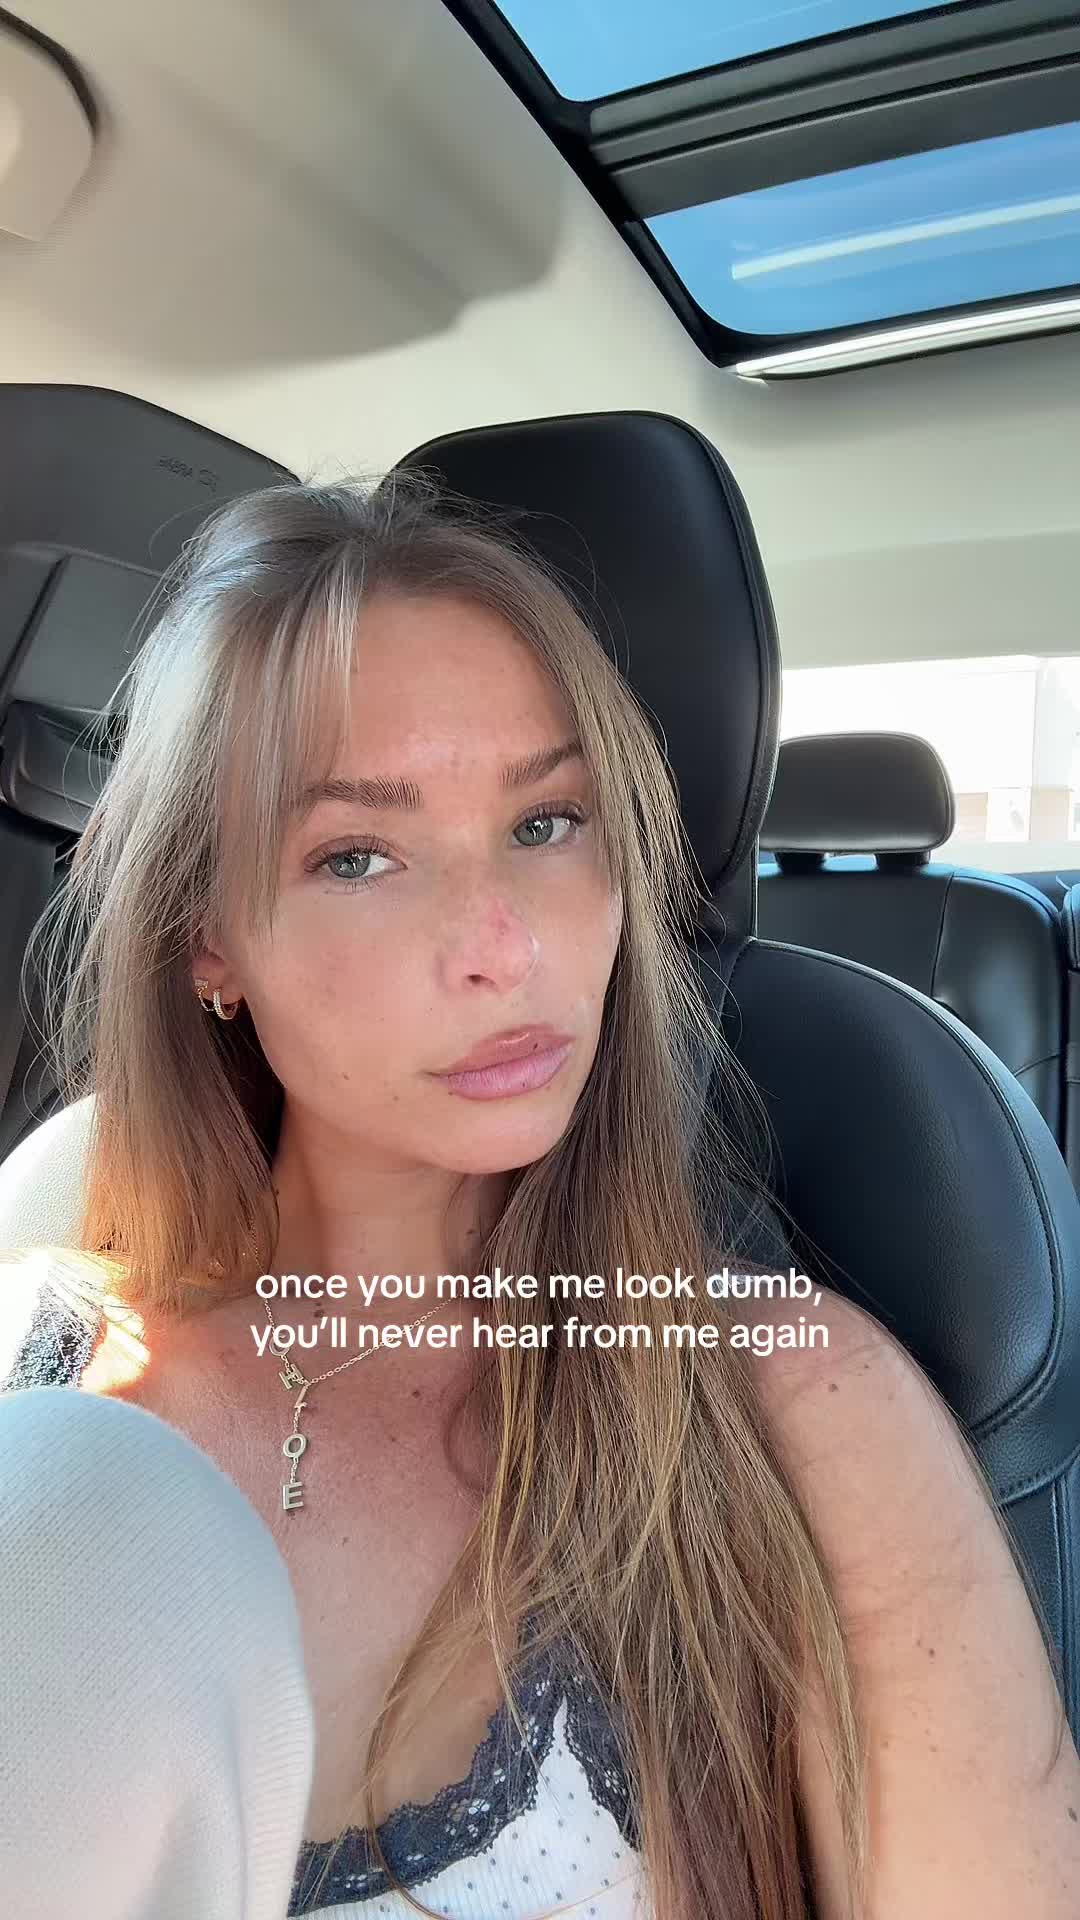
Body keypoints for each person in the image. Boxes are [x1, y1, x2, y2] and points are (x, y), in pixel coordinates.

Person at [1, 473, 1078, 1920]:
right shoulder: (35, 1334)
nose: (504, 948)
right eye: (360, 855)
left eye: (548, 821)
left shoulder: (797, 1414)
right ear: (209, 941)